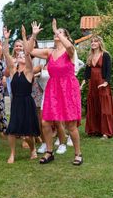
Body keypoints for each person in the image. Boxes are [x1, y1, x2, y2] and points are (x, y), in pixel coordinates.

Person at [27, 19, 82, 165]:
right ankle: (49, 152)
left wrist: (57, 30)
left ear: (66, 37)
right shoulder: (49, 53)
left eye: (61, 33)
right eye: (56, 33)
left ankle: (78, 154)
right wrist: (33, 36)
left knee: (71, 125)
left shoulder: (70, 52)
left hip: (68, 88)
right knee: (45, 122)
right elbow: (29, 50)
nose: (57, 35)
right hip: (53, 88)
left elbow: (69, 46)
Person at [2, 26, 40, 163]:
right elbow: (6, 54)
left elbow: (29, 53)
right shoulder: (13, 71)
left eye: (23, 55)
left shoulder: (29, 71)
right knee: (11, 130)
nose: (21, 56)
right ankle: (12, 154)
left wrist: (29, 37)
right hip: (16, 102)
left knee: (28, 135)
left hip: (27, 102)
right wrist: (5, 39)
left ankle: (32, 149)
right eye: (19, 55)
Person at [81, 35, 113, 139]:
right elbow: (87, 72)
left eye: (95, 41)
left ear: (100, 43)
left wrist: (106, 82)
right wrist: (83, 82)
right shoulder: (90, 56)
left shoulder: (105, 55)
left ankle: (106, 132)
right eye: (92, 42)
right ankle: (95, 130)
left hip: (102, 83)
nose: (93, 43)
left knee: (105, 108)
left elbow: (108, 70)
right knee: (94, 106)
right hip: (92, 84)